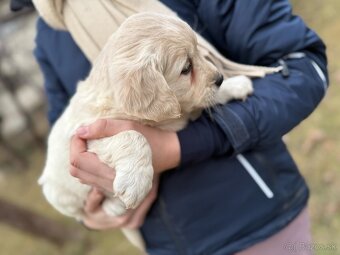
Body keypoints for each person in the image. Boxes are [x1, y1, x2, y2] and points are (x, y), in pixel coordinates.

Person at [13, 0, 328, 254]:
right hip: (166, 245)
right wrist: (90, 214)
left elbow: (303, 66)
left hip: (260, 222)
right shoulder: (48, 32)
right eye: (187, 67)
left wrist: (176, 147)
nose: (213, 72)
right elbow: (69, 143)